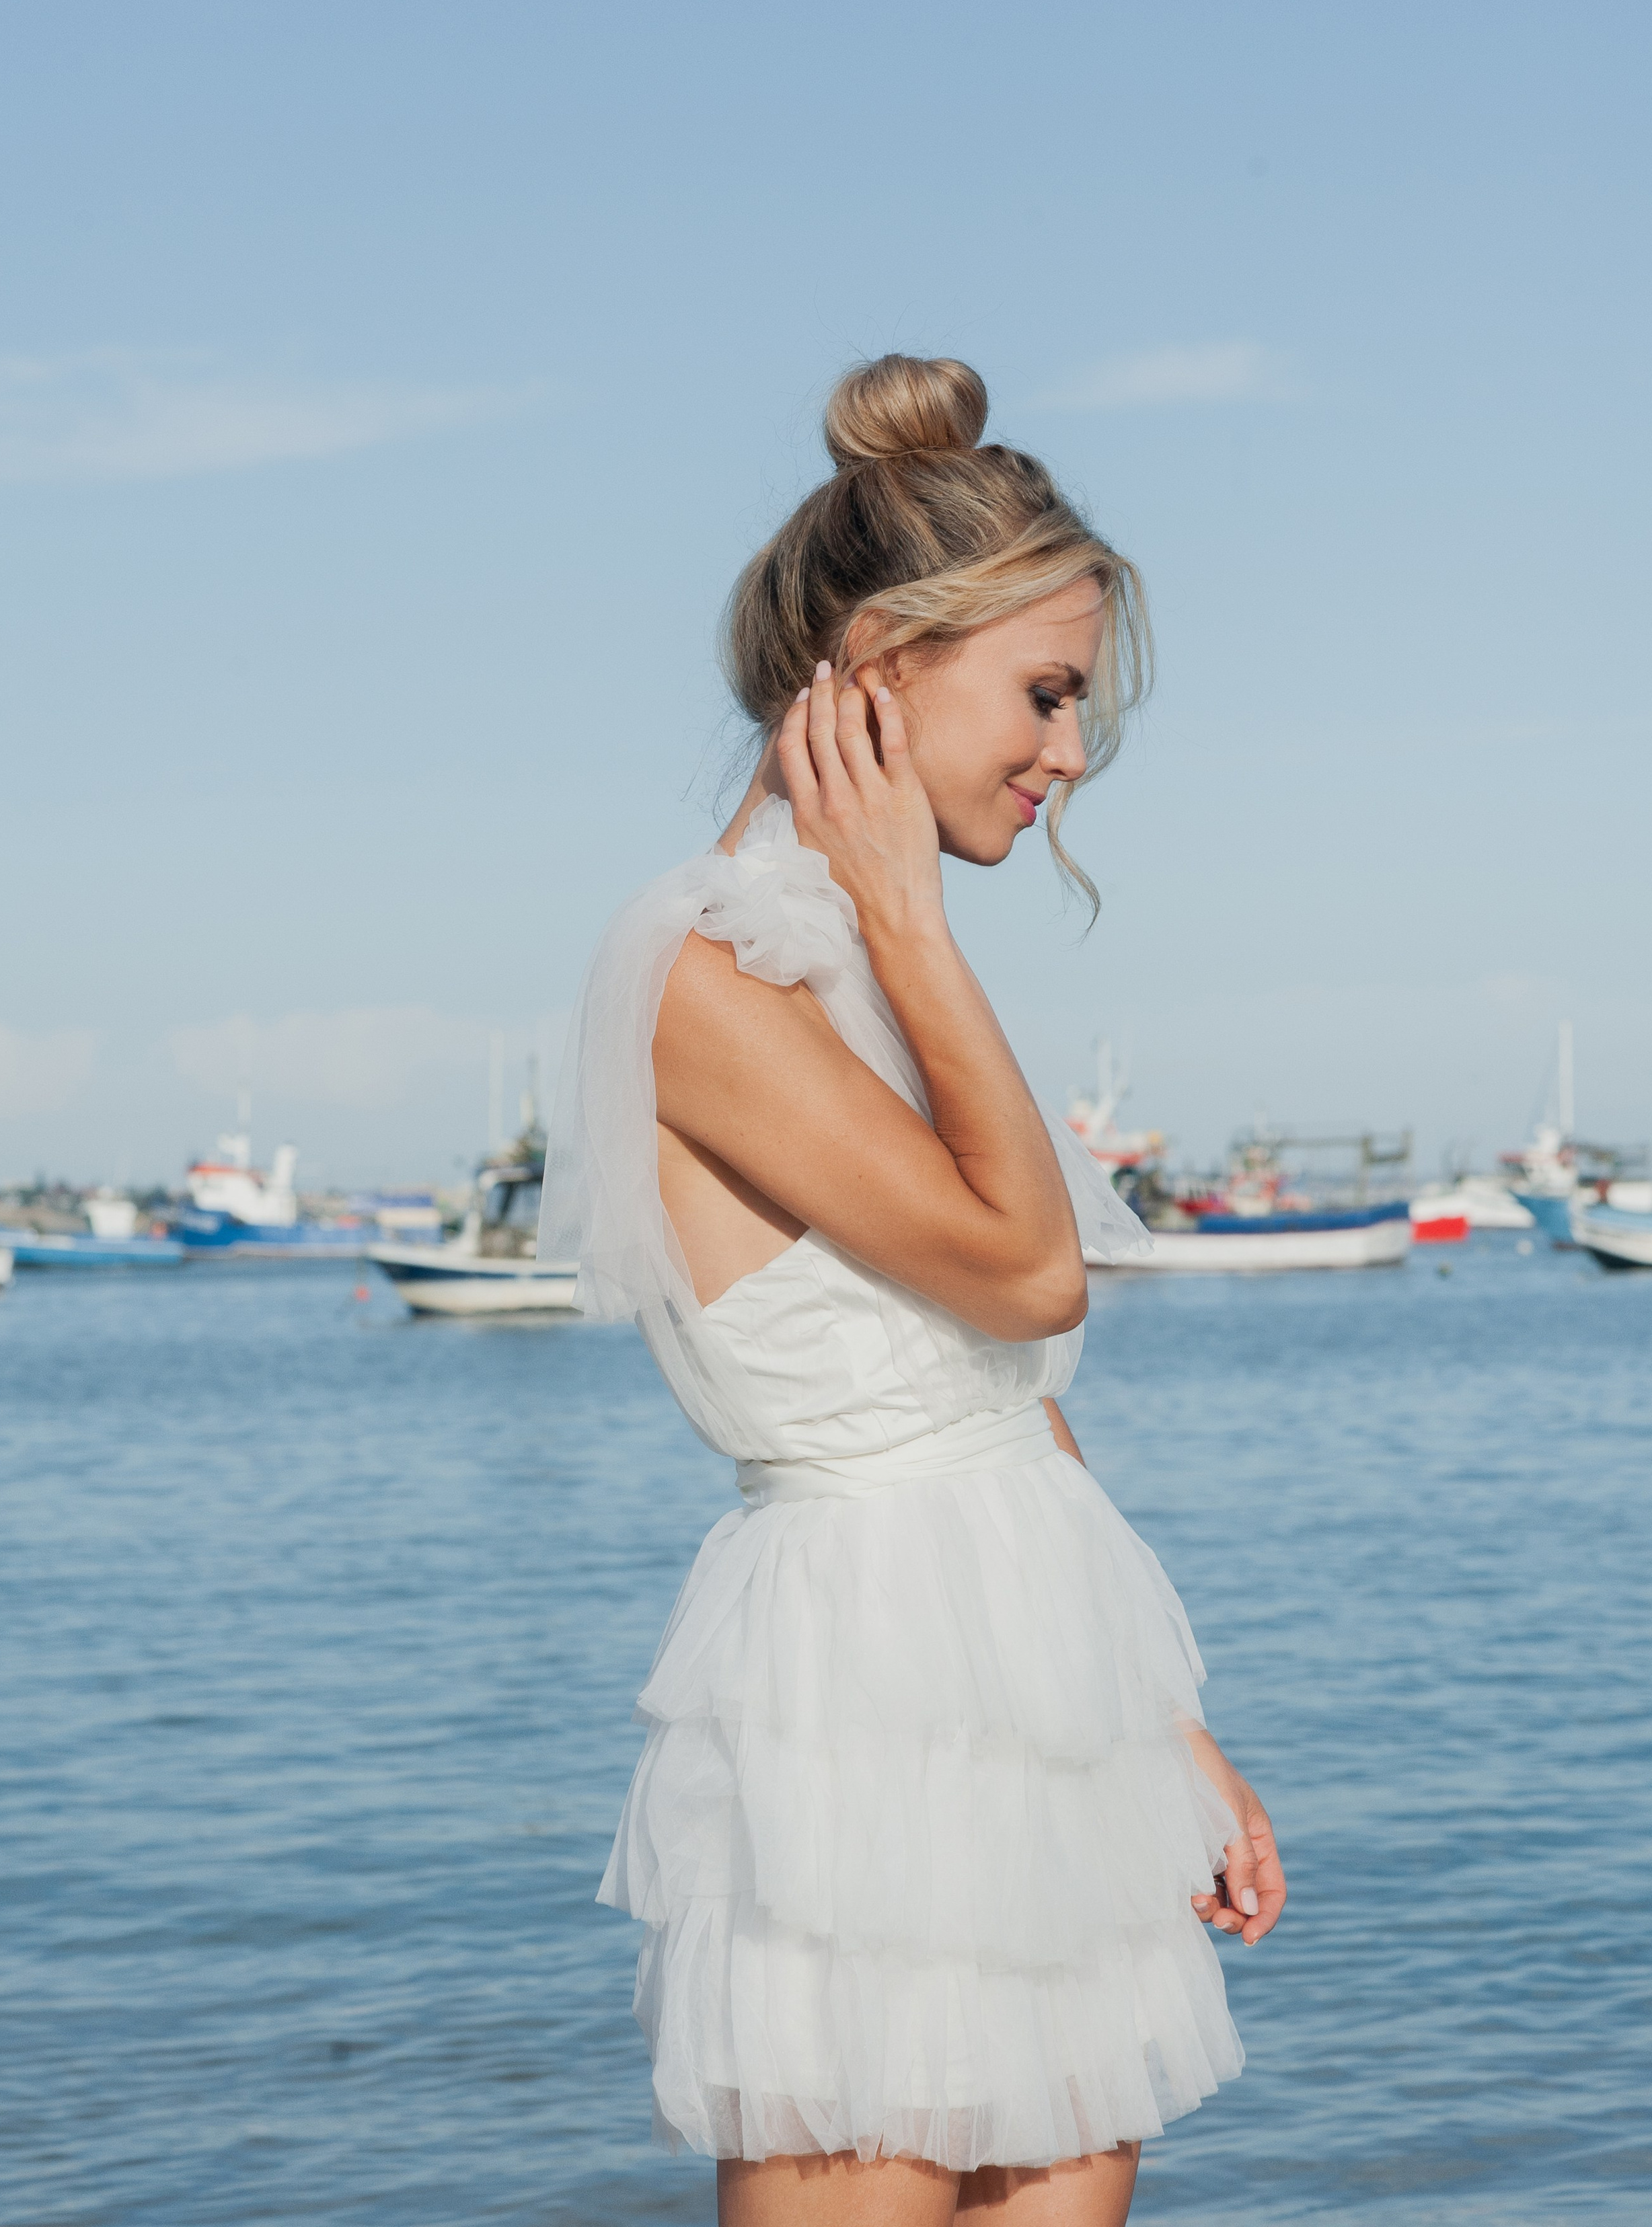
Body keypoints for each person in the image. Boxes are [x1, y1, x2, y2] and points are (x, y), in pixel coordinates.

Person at [542, 354, 1286, 2225]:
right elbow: (1038, 1273)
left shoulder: (869, 965)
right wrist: (909, 918)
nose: (1070, 754)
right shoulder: (712, 974)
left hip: (1051, 1673)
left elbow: (1000, 1375)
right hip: (860, 1707)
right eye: (1044, 694)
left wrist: (1168, 1736)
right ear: (878, 666)